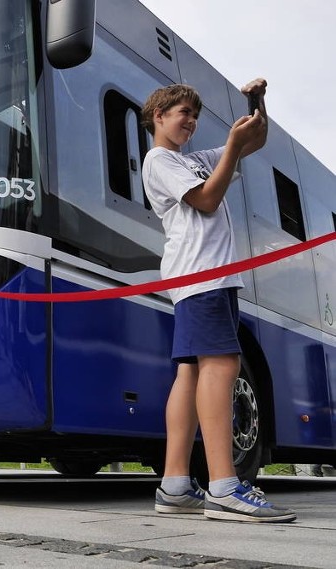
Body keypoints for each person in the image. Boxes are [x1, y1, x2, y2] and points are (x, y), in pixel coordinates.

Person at [141, 79, 295, 523]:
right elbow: (207, 201)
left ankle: (174, 486)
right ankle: (225, 487)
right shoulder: (160, 160)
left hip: (204, 278)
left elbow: (255, 138)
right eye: (182, 112)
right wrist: (229, 143)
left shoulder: (192, 160)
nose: (190, 120)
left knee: (190, 373)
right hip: (202, 276)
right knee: (223, 364)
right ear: (159, 116)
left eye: (195, 114)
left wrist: (255, 102)